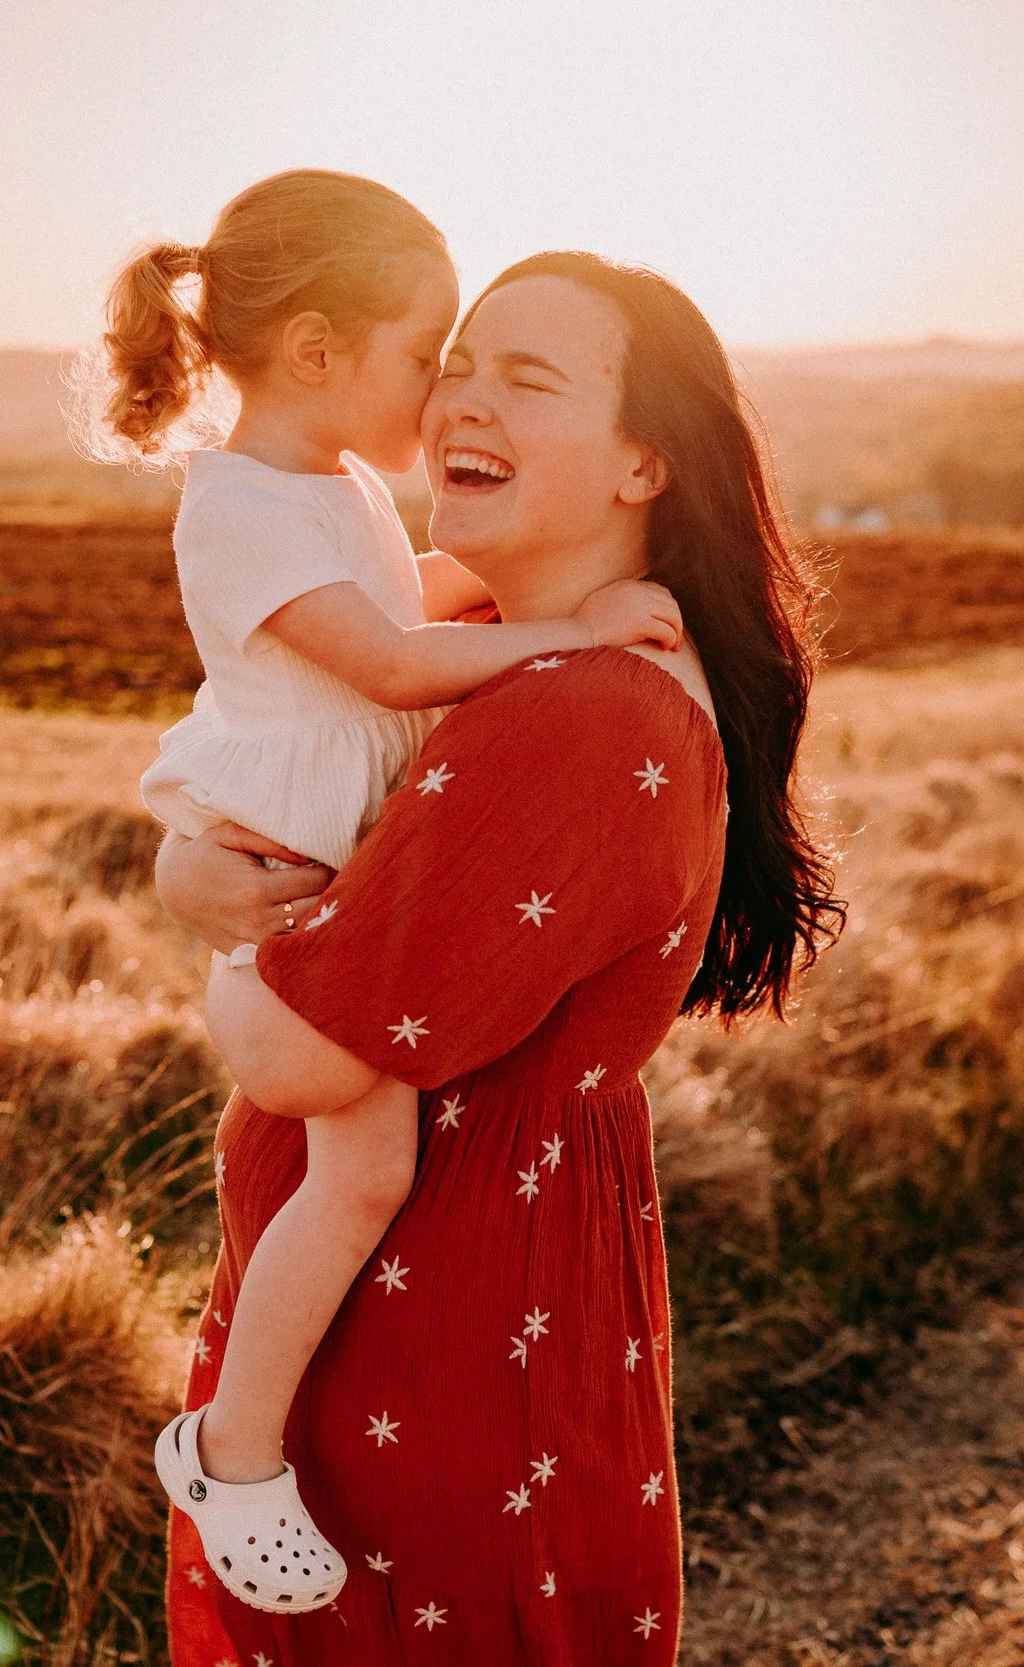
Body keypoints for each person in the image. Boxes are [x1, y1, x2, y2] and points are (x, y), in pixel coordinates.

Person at [153, 250, 845, 1662]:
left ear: (645, 463)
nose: (463, 397)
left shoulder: (585, 714)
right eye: (458, 362)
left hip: (447, 1376)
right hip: (419, 1348)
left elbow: (297, 1046)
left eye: (529, 378)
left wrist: (230, 921)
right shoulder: (491, 638)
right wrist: (191, 865)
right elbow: (276, 769)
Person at [89, 171, 683, 1613]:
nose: (440, 400)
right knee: (366, 1170)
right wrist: (572, 632)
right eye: (430, 358)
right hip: (301, 885)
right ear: (312, 353)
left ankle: (241, 1433)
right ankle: (232, 1447)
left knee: (363, 1166)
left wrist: (512, 615)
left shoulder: (333, 483)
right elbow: (397, 662)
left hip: (317, 885)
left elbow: (405, 603)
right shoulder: (235, 504)